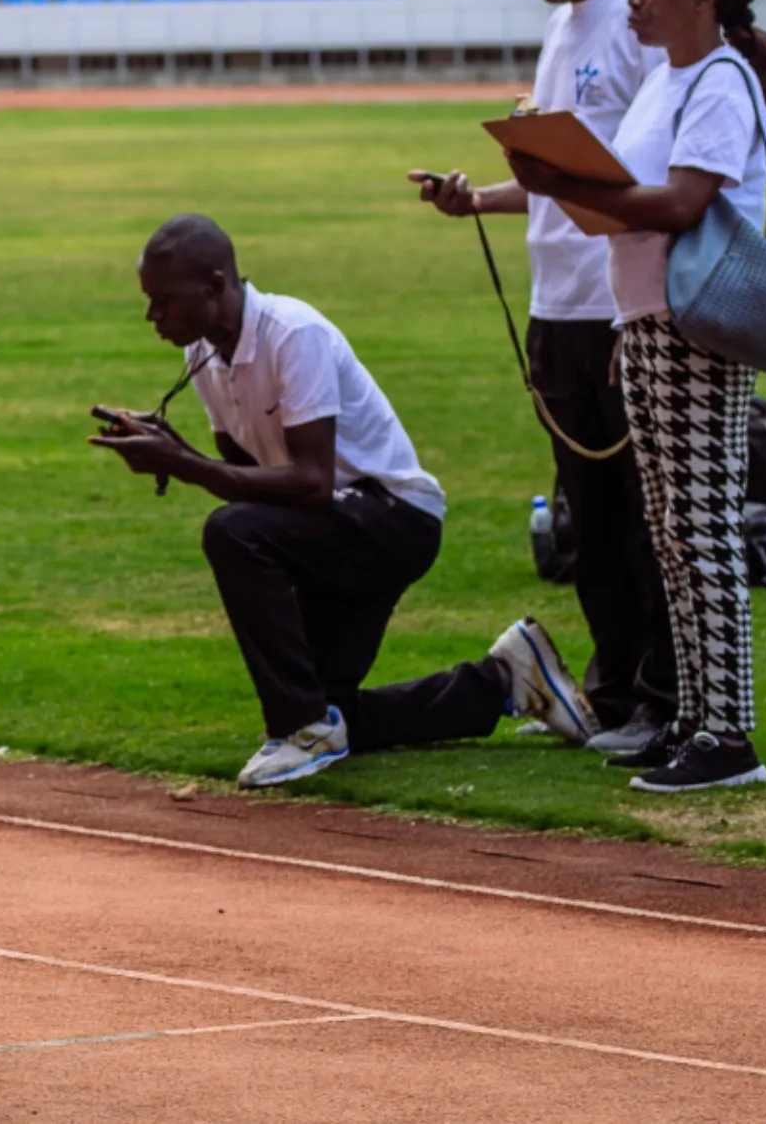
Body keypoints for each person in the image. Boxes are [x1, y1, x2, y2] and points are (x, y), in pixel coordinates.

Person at [89, 216, 594, 789]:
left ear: (213, 285)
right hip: (338, 524)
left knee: (231, 533)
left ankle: (302, 731)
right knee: (332, 707)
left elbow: (310, 482)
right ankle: (505, 678)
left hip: (393, 519)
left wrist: (182, 465)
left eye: (163, 301)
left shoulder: (291, 333)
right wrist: (171, 450)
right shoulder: (205, 354)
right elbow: (250, 476)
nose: (152, 317)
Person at [504, 0, 766, 793]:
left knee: (701, 533)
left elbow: (681, 204)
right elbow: (636, 199)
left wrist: (569, 183)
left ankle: (728, 734)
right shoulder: (671, 78)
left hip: (696, 323)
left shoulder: (721, 80)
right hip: (647, 320)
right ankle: (690, 716)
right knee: (668, 530)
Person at [411, 0, 674, 758]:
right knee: (588, 519)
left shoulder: (641, 29)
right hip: (556, 303)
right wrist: (476, 199)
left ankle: (660, 701)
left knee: (645, 516)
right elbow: (559, 183)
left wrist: (634, 315)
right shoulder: (562, 31)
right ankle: (608, 689)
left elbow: (647, 180)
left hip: (617, 304)